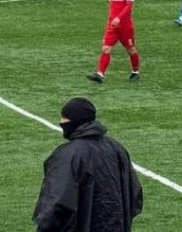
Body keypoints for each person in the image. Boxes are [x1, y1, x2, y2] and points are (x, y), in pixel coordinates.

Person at [33, 98, 144, 231]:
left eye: (64, 117)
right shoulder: (116, 148)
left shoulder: (68, 154)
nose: (61, 122)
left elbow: (56, 203)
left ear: (74, 120)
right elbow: (134, 195)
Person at [87, 0, 141, 83]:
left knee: (131, 49)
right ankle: (100, 74)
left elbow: (128, 6)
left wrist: (119, 18)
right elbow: (112, 6)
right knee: (106, 48)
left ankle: (135, 72)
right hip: (112, 25)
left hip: (125, 26)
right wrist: (111, 20)